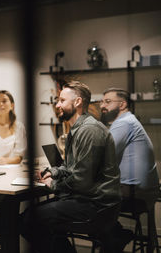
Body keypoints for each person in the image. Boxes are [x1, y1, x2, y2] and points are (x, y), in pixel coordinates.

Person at [21, 81, 121, 253]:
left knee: (28, 220)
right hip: (88, 200)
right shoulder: (78, 129)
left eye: (62, 100)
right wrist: (50, 172)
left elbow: (81, 181)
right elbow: (69, 167)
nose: (58, 105)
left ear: (77, 102)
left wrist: (53, 185)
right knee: (31, 216)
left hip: (97, 206)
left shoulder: (89, 130)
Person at [100, 87, 159, 251]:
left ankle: (114, 237)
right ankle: (114, 236)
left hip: (135, 193)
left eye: (108, 101)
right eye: (102, 101)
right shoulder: (129, 121)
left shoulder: (124, 123)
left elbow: (102, 157)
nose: (102, 106)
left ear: (123, 104)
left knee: (83, 199)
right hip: (145, 192)